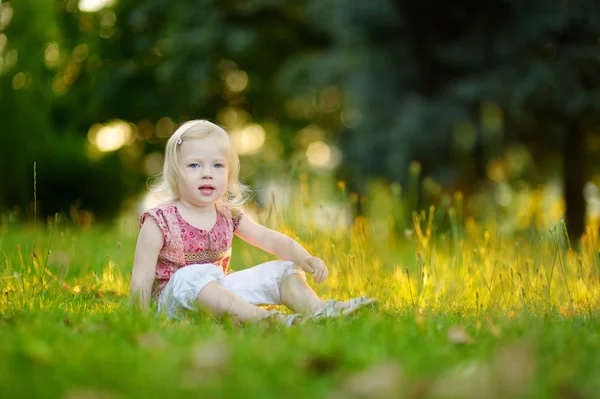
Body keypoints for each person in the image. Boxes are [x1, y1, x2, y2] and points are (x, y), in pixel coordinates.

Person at [129, 120, 376, 327]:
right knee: (191, 275)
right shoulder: (160, 220)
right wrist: (140, 323)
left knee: (282, 270)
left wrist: (305, 258)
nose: (207, 173)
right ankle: (267, 320)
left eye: (217, 165)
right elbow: (142, 277)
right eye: (194, 165)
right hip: (174, 304)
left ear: (229, 173)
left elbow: (270, 239)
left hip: (220, 296)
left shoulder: (227, 215)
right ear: (174, 172)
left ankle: (320, 310)